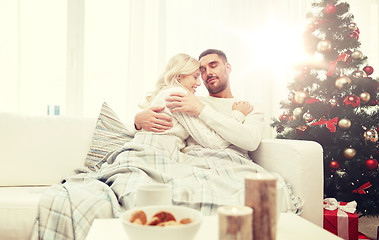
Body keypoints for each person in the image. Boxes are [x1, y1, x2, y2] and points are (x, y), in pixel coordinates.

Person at [134, 49, 264, 158]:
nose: (208, 73)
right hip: (191, 161)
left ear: (228, 67)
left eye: (213, 65)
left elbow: (251, 141)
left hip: (231, 161)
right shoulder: (188, 100)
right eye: (201, 71)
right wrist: (137, 122)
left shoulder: (248, 107)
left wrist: (202, 110)